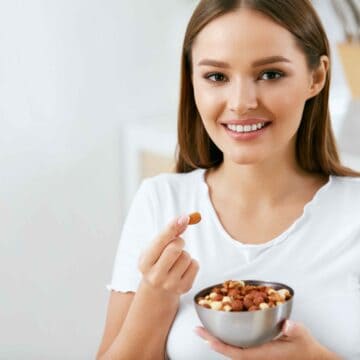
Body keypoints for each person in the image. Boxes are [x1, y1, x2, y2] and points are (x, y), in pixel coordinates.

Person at [96, 0, 360, 359]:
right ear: (192, 81)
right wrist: (156, 295)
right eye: (216, 77)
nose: (240, 102)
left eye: (270, 74)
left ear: (316, 77)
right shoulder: (161, 203)